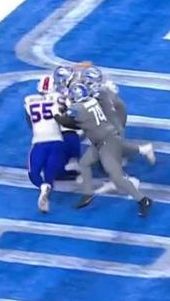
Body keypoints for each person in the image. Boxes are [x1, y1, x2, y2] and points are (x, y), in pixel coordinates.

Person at [55, 82, 153, 217]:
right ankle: (87, 194)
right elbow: (80, 123)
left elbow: (67, 122)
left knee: (117, 177)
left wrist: (56, 113)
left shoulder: (78, 108)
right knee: (84, 163)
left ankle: (143, 200)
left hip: (106, 143)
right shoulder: (91, 101)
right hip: (104, 138)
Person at [24, 75, 66, 213]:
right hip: (57, 140)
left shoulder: (29, 101)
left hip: (39, 141)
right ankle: (47, 186)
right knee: (51, 172)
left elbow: (30, 122)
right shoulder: (58, 99)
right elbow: (65, 118)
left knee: (33, 173)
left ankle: (42, 187)